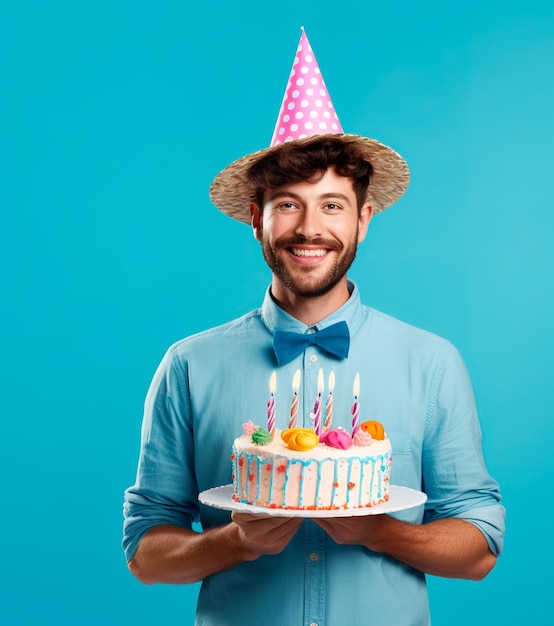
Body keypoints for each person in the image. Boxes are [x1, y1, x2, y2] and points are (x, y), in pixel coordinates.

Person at [123, 29, 504, 626]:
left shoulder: (430, 362)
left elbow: (479, 547)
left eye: (331, 204)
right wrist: (235, 541)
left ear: (363, 220)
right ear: (257, 217)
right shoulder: (189, 365)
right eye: (288, 204)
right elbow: (146, 554)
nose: (309, 228)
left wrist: (380, 531)